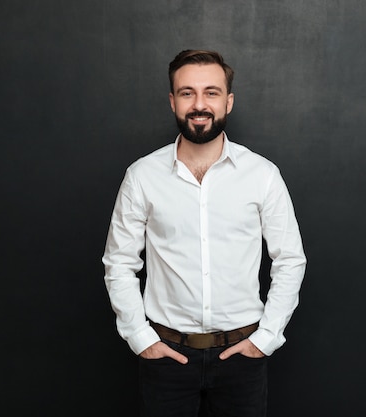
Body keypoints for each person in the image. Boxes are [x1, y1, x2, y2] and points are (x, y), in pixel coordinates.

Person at [102, 49, 306, 417]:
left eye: (211, 92)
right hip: (166, 358)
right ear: (172, 101)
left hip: (242, 358)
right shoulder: (142, 176)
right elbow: (118, 262)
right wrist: (140, 337)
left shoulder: (262, 174)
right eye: (187, 93)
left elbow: (290, 260)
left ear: (228, 101)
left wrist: (265, 339)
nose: (200, 104)